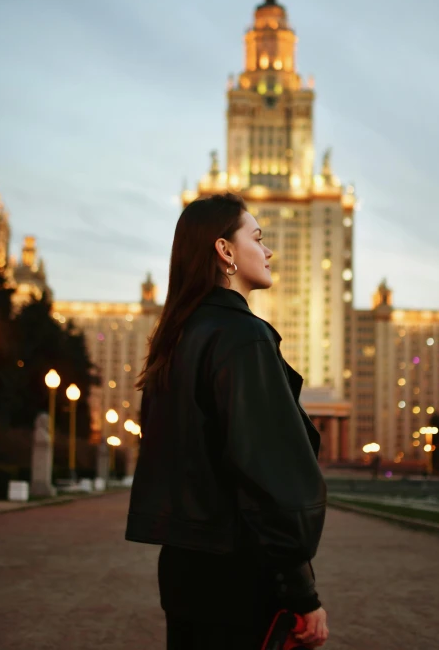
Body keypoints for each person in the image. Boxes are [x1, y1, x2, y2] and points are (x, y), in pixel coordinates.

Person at [125, 193, 329, 650]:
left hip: (184, 573)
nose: (268, 250)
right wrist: (302, 593)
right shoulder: (243, 338)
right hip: (240, 577)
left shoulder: (174, 340)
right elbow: (268, 477)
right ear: (225, 251)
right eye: (257, 238)